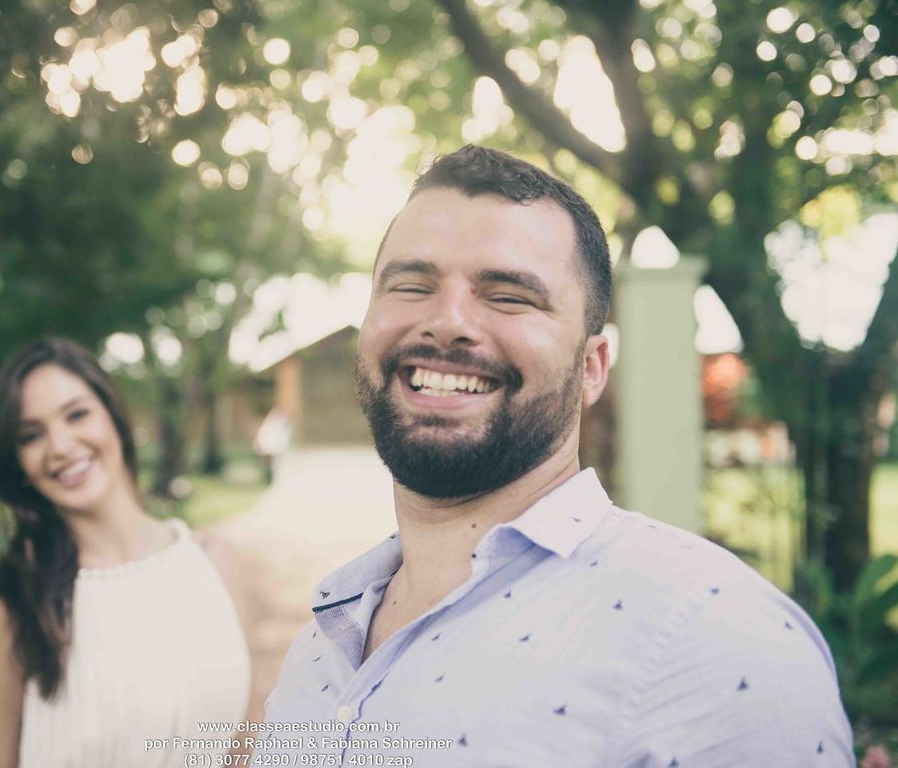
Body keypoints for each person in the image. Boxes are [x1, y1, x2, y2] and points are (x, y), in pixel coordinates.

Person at [257, 146, 852, 767]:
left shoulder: (719, 644)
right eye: (411, 285)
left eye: (509, 295)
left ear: (591, 369)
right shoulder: (324, 643)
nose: (447, 321)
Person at [0, 337, 250, 768]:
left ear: (114, 417)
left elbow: (246, 742)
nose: (60, 446)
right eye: (31, 435)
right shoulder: (5, 610)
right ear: (18, 464)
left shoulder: (214, 562)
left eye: (77, 414)